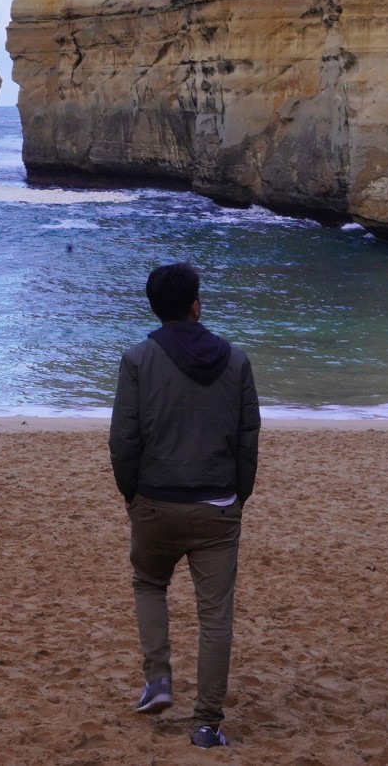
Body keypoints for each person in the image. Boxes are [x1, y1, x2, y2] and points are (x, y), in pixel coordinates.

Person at [108, 261, 259, 747]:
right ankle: (207, 724)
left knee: (149, 582)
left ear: (154, 307)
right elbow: (247, 438)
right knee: (216, 613)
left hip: (154, 500)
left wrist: (131, 494)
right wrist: (238, 495)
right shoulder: (236, 361)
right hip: (217, 505)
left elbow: (123, 440)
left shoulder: (137, 359)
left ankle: (158, 680)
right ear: (197, 305)